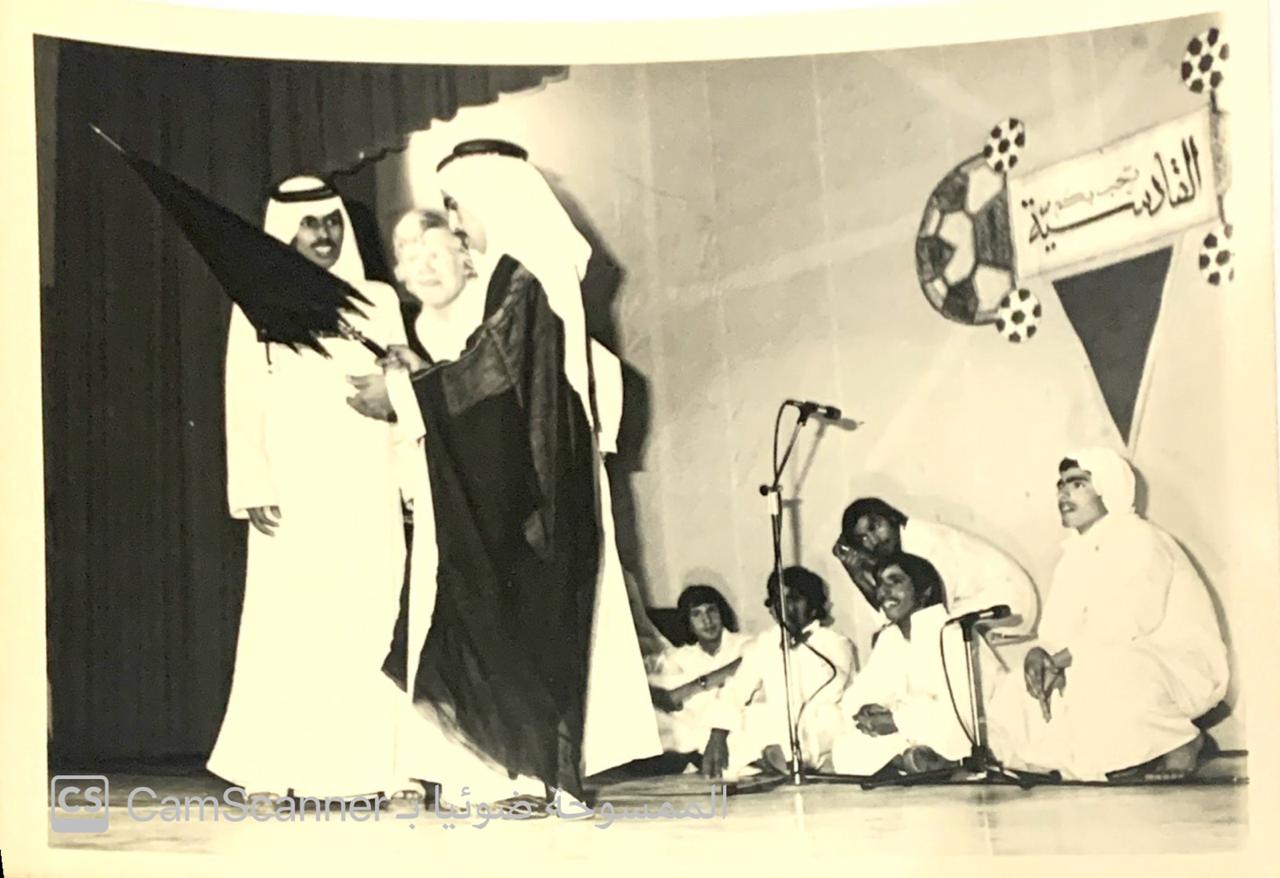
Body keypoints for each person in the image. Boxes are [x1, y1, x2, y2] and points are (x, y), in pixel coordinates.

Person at [369, 141, 659, 809]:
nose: (454, 222)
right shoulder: (524, 273)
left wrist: (403, 393)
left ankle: (529, 776)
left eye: (456, 206)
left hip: (531, 489)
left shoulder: (524, 274)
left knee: (518, 619)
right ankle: (526, 777)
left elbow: (490, 369)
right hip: (535, 477)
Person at [207, 175, 413, 798]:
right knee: (291, 618)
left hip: (368, 478)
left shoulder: (379, 299)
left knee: (373, 611)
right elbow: (243, 394)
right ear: (284, 231)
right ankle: (274, 770)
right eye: (309, 224)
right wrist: (252, 482)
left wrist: (409, 476)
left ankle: (386, 769)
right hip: (294, 485)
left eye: (332, 221)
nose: (324, 235)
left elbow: (405, 388)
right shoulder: (254, 302)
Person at [988, 448, 1229, 782]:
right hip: (1094, 657)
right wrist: (1039, 655)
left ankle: (1181, 741)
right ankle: (1112, 757)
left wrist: (1060, 661)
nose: (1063, 494)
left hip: (1174, 666)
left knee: (1102, 669)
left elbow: (1128, 622)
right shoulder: (1073, 555)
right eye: (1061, 485)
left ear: (1109, 487)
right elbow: (1056, 628)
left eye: (1077, 484)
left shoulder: (1141, 538)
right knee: (1018, 687)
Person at [830, 553, 987, 776]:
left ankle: (921, 763)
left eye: (895, 582)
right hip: (906, 735)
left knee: (943, 732)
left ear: (925, 591)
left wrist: (897, 720)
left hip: (956, 734)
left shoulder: (953, 633)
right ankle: (908, 762)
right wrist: (867, 711)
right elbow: (859, 695)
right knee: (846, 749)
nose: (883, 592)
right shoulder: (890, 638)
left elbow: (960, 714)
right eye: (880, 584)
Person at [701, 567, 855, 779]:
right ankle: (776, 759)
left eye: (794, 599)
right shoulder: (766, 642)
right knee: (748, 718)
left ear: (813, 606)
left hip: (817, 724)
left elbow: (827, 694)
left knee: (829, 718)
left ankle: (782, 760)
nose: (784, 607)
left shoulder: (835, 643)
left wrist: (797, 646)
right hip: (779, 725)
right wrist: (717, 735)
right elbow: (736, 689)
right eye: (777, 600)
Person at [832, 497, 1038, 635]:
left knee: (929, 633)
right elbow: (887, 619)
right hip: (973, 603)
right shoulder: (896, 555)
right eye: (863, 538)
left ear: (891, 517)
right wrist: (857, 575)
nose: (873, 541)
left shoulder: (927, 542)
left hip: (1010, 600)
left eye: (875, 526)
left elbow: (928, 616)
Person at [646, 585, 747, 761]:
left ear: (722, 613)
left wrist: (695, 686)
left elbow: (749, 663)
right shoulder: (678, 656)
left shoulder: (744, 644)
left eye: (711, 610)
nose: (706, 620)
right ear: (688, 623)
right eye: (696, 614)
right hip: (691, 728)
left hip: (734, 726)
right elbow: (656, 691)